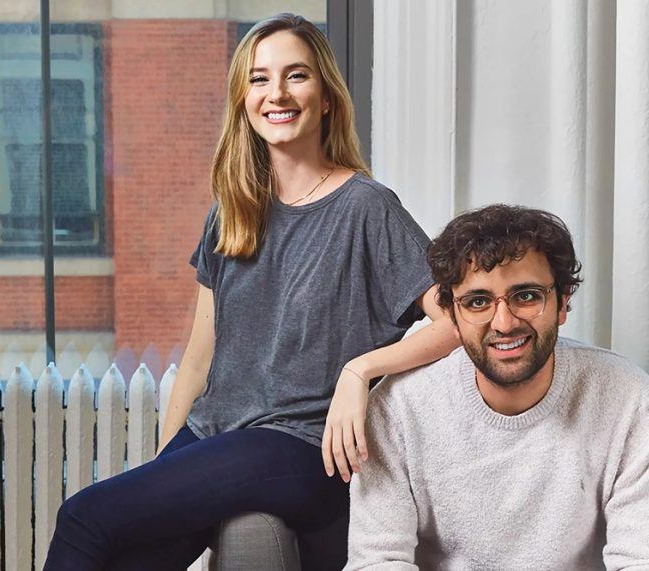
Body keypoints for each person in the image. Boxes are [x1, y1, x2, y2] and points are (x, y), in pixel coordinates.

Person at [44, 13, 459, 571]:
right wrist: (164, 471)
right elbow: (197, 359)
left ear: (328, 97)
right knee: (120, 553)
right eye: (260, 79)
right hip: (217, 434)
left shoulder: (366, 206)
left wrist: (360, 371)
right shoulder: (232, 211)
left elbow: (456, 322)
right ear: (244, 99)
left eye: (296, 75)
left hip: (301, 448)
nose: (277, 93)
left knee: (82, 517)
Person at [345, 204, 649, 570]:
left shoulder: (629, 398)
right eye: (478, 302)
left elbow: (648, 561)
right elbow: (376, 562)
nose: (504, 323)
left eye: (526, 296)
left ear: (562, 303)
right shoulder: (398, 407)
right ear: (453, 317)